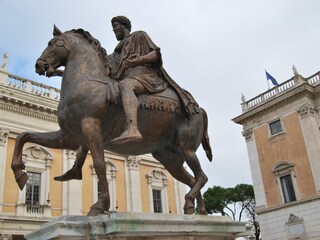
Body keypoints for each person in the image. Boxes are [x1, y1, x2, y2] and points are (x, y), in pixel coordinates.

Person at [108, 16, 200, 145]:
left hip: (145, 76)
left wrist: (140, 59)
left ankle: (132, 128)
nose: (113, 30)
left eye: (115, 26)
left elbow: (155, 54)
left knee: (126, 85)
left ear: (124, 26)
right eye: (113, 27)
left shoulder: (139, 35)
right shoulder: (115, 53)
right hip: (130, 77)